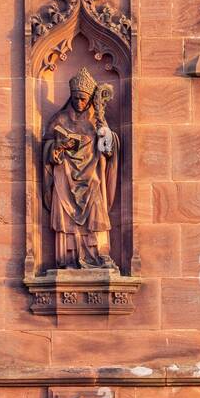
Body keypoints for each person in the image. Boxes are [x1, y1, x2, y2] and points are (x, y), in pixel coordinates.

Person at [43, 66, 119, 270]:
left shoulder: (97, 121)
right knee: (66, 216)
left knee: (96, 210)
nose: (79, 102)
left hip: (91, 175)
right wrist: (57, 147)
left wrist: (106, 137)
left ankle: (99, 254)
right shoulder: (59, 119)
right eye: (75, 98)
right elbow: (47, 149)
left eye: (83, 98)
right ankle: (68, 259)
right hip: (65, 176)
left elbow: (109, 151)